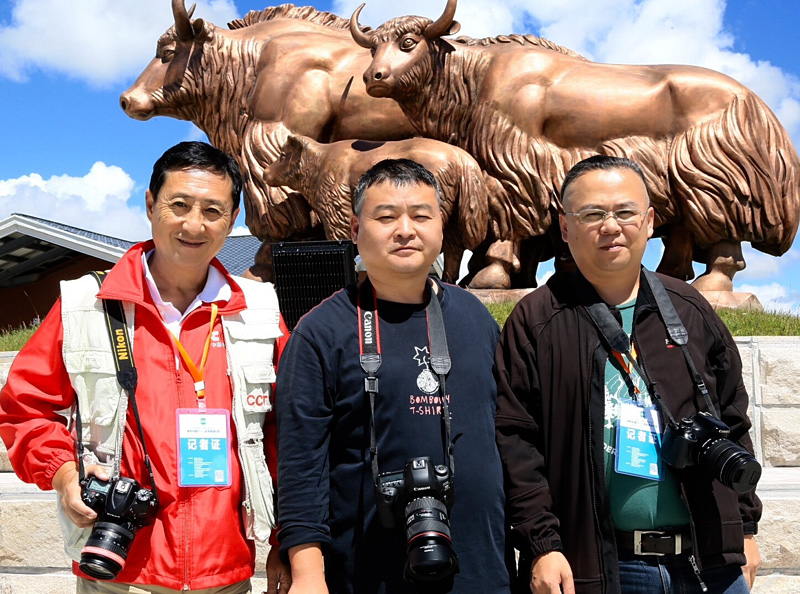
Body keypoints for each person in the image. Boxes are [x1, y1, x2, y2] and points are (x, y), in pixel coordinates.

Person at [0, 141, 291, 594]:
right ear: (151, 203)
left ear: (232, 219)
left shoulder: (259, 310)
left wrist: (285, 540)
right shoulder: (85, 305)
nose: (194, 224)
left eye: (213, 211)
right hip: (119, 571)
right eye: (179, 204)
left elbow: (284, 433)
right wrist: (62, 473)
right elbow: (24, 410)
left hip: (226, 574)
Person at [494, 155, 762, 594]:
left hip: (709, 562)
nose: (610, 225)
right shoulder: (536, 320)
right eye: (592, 214)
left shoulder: (690, 310)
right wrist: (542, 544)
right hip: (595, 566)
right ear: (565, 228)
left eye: (624, 212)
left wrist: (746, 530)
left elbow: (733, 419)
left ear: (650, 221)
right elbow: (515, 440)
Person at [275, 159, 511, 594]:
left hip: (481, 569)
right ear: (354, 228)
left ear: (441, 227)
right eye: (386, 217)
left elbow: (511, 436)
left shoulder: (475, 318)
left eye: (421, 215)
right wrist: (308, 574)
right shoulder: (320, 332)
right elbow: (300, 466)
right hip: (367, 572)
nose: (406, 229)